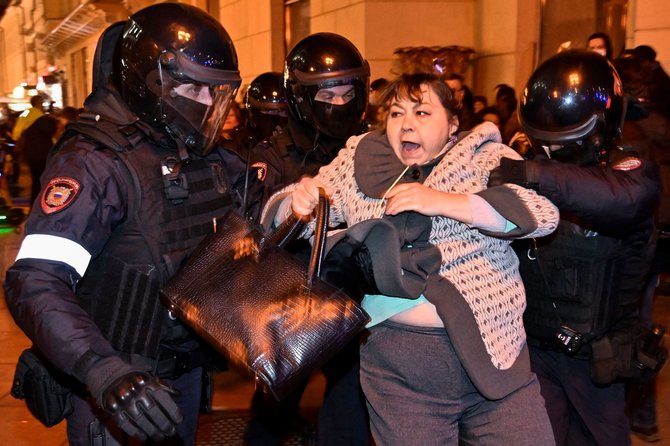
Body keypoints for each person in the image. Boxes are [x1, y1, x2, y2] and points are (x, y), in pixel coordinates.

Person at [262, 72, 559, 445]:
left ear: (452, 124)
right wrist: (296, 202)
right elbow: (292, 214)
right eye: (397, 113)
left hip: (495, 354)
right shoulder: (360, 158)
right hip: (399, 369)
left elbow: (543, 216)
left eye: (422, 113)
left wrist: (445, 203)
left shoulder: (486, 157)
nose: (406, 124)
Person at [3, 4, 252, 445]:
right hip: (118, 387)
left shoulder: (198, 156)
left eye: (216, 92)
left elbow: (254, 207)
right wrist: (103, 370)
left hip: (184, 375)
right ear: (152, 81)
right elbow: (35, 281)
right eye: (195, 89)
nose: (209, 103)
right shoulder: (94, 165)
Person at [488, 50, 660, 446]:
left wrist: (533, 173)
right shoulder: (535, 168)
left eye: (559, 145)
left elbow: (621, 202)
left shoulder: (632, 174)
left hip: (596, 360)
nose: (546, 153)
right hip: (534, 349)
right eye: (541, 144)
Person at [245, 32, 371, 446]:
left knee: (350, 400)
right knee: (273, 405)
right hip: (292, 304)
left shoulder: (370, 148)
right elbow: (256, 231)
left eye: (347, 92)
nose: (339, 104)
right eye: (326, 95)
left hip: (355, 300)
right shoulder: (273, 155)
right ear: (300, 98)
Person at [22, 106, 78, 203]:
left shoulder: (44, 122)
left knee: (38, 183)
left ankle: (36, 207)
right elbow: (54, 138)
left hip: (35, 157)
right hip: (39, 158)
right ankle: (39, 206)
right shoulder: (48, 123)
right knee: (41, 183)